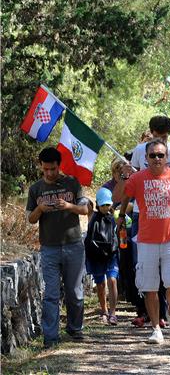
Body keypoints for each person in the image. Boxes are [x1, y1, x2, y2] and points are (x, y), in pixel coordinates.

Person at [117, 139, 170, 344]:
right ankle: (155, 329)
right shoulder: (137, 178)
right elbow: (122, 196)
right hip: (146, 241)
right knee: (149, 286)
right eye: (153, 155)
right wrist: (121, 215)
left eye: (161, 155)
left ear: (167, 157)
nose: (157, 159)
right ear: (146, 158)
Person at [26, 147, 89, 348]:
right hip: (49, 248)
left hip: (73, 245)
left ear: (59, 166)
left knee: (75, 292)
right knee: (51, 294)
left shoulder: (72, 183)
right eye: (46, 170)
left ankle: (75, 328)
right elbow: (30, 219)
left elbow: (86, 208)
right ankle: (51, 337)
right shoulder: (35, 189)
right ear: (41, 167)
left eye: (53, 169)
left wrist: (69, 206)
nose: (50, 173)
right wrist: (40, 209)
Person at [84, 188, 120, 325]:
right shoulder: (92, 216)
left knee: (112, 280)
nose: (105, 207)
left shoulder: (115, 217)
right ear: (98, 204)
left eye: (108, 204)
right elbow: (85, 205)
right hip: (96, 255)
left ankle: (113, 312)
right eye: (103, 205)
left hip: (111, 254)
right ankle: (104, 310)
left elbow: (126, 220)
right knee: (100, 284)